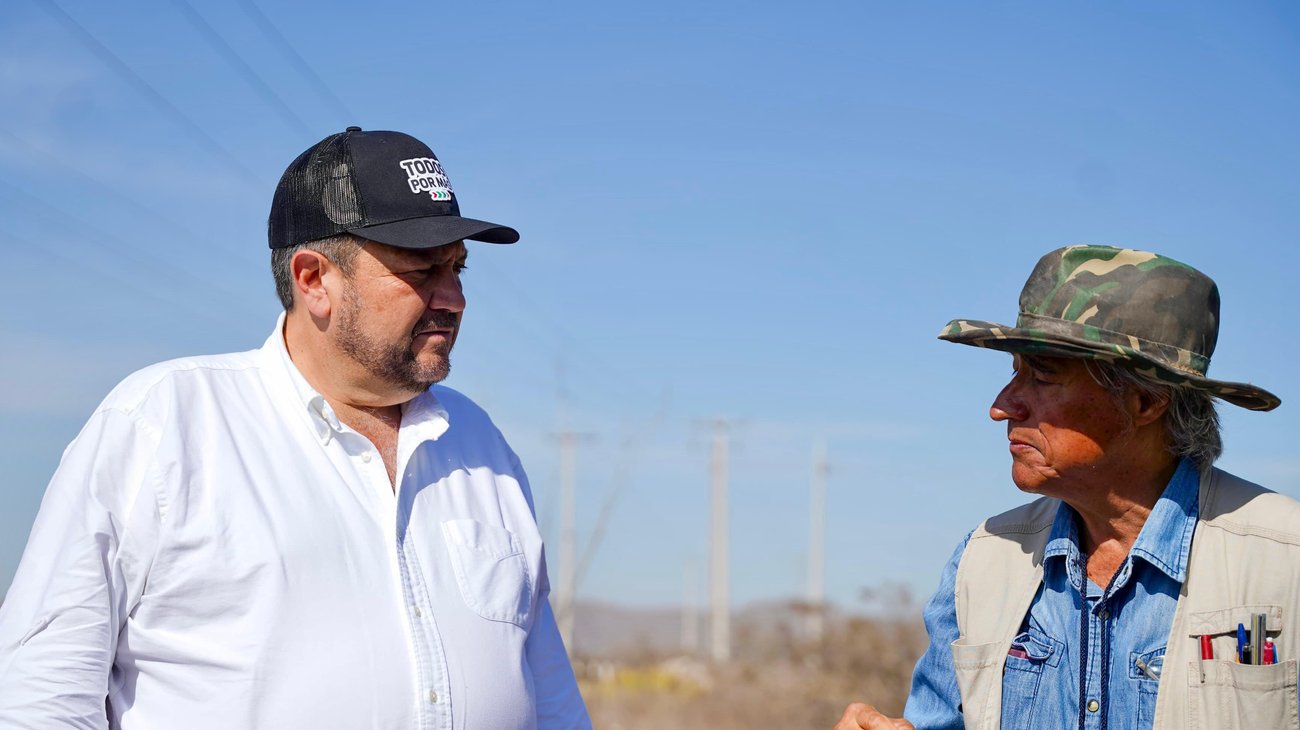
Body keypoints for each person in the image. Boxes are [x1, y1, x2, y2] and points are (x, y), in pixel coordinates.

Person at [0, 127, 592, 729]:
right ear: (313, 279)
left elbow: (552, 704)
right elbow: (42, 694)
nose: (453, 299)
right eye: (421, 270)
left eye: (458, 269)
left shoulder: (480, 444)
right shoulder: (165, 424)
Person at [835, 245, 1300, 730]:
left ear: (1145, 401)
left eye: (1042, 375)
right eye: (1014, 372)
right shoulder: (984, 560)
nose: (1003, 406)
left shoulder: (1285, 559)